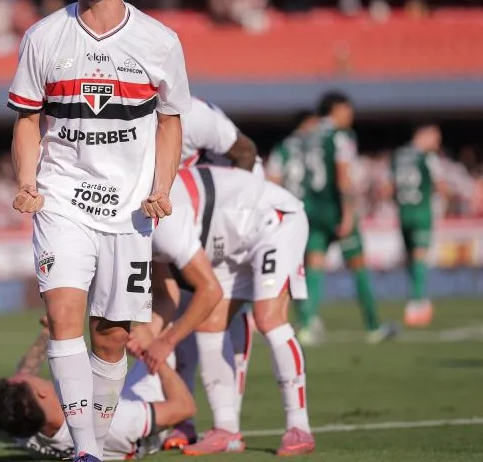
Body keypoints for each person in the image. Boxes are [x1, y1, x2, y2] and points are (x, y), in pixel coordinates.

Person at [7, 0, 191, 462]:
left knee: (111, 337)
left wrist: (162, 187)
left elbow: (170, 121)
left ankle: (100, 447)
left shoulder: (160, 41)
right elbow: (26, 119)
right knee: (65, 318)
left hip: (129, 210)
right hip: (62, 199)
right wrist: (26, 181)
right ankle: (86, 451)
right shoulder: (43, 36)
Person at [153, 165, 316, 456]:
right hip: (228, 241)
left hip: (272, 221)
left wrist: (166, 341)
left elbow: (208, 292)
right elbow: (167, 295)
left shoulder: (161, 219)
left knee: (268, 318)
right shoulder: (144, 213)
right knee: (209, 325)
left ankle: (299, 427)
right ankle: (226, 431)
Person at [161, 96, 260, 449]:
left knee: (221, 308)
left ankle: (228, 421)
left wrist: (232, 219)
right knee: (184, 315)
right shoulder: (131, 114)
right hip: (188, 207)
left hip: (230, 209)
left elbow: (246, 152)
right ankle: (182, 419)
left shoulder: (194, 115)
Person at [0, 319, 195, 459]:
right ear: (41, 394)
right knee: (158, 325)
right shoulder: (113, 420)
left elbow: (23, 373)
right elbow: (185, 407)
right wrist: (154, 350)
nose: (29, 374)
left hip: (103, 396)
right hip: (145, 402)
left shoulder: (25, 430)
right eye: (27, 379)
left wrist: (48, 331)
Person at [298, 92, 395, 345]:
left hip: (313, 209)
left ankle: (307, 325)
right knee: (358, 266)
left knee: (314, 267)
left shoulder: (309, 136)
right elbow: (342, 175)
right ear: (335, 110)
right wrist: (349, 212)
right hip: (335, 209)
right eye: (347, 110)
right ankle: (373, 326)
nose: (351, 115)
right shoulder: (341, 136)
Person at [390, 124, 445, 327]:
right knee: (420, 256)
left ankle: (414, 297)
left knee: (411, 258)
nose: (437, 144)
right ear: (423, 135)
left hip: (403, 212)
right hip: (421, 211)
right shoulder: (428, 157)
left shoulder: (398, 156)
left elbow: (388, 188)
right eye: (435, 138)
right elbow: (441, 185)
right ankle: (417, 303)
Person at [266, 110, 318, 199]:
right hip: (318, 203)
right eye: (315, 123)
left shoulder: (282, 147)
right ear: (306, 123)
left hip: (291, 201)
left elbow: (274, 181)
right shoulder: (318, 147)